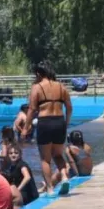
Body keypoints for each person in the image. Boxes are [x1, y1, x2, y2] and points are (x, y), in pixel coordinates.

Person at [29, 60, 72, 195]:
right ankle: (64, 176)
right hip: (59, 121)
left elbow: (31, 109)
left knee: (45, 159)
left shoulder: (37, 87)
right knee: (58, 155)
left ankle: (50, 188)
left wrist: (25, 128)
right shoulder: (61, 86)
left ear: (38, 73)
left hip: (45, 122)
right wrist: (66, 122)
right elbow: (69, 107)